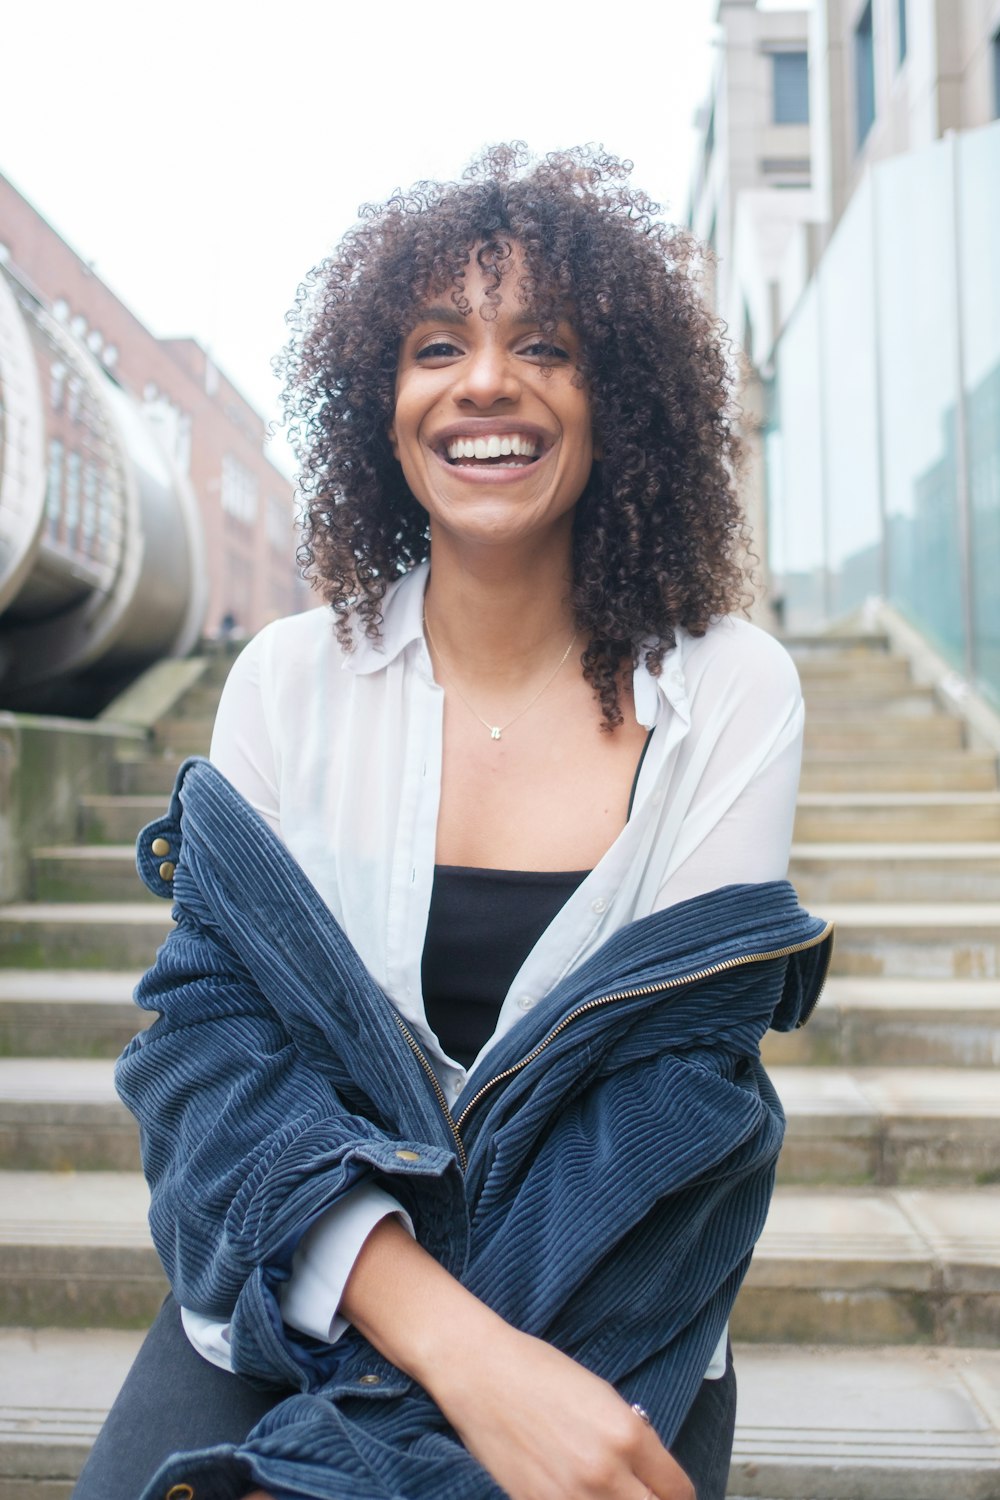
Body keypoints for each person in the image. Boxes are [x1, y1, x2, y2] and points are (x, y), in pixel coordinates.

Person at [73, 144, 829, 1500]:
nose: (485, 381)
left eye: (544, 343)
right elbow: (212, 1049)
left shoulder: (730, 692)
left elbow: (671, 1102)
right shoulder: (287, 682)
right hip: (298, 1285)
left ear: (621, 403)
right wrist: (461, 1359)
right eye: (437, 346)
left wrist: (509, 1382)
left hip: (611, 1314)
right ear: (386, 402)